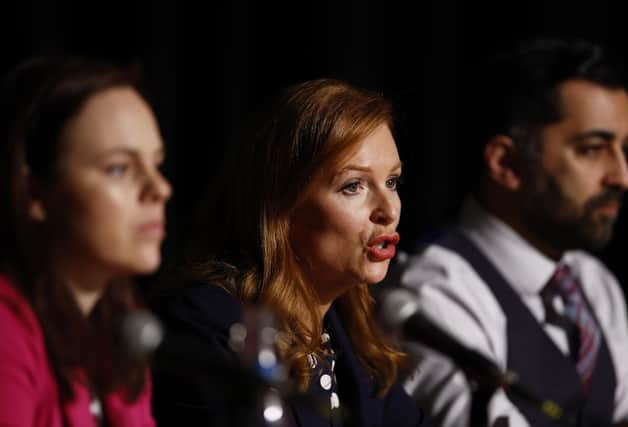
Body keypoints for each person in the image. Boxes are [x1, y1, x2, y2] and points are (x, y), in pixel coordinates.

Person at [151, 78, 430, 426]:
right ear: (283, 207)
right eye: (353, 186)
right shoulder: (212, 326)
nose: (389, 210)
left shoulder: (354, 343)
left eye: (392, 182)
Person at [399, 38, 628, 427]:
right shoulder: (433, 292)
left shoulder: (594, 284)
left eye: (625, 150)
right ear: (506, 163)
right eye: (593, 149)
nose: (623, 177)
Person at [0, 57, 171, 426]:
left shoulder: (120, 325)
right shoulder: (5, 330)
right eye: (119, 168)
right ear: (34, 192)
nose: (160, 189)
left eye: (157, 164)